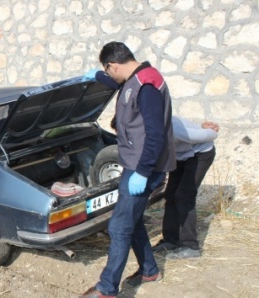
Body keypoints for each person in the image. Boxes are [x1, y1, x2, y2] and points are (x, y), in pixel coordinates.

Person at [80, 42, 176, 298]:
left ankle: (107, 288)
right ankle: (149, 270)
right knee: (132, 221)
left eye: (108, 71)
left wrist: (143, 172)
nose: (110, 77)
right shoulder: (136, 76)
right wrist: (98, 76)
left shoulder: (146, 87)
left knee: (119, 227)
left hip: (142, 168)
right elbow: (119, 83)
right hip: (136, 164)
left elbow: (155, 134)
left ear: (114, 65)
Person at [152, 116, 219, 259]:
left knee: (184, 196)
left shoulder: (173, 129)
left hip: (200, 154)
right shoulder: (145, 128)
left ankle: (191, 246)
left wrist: (211, 129)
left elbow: (209, 134)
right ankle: (171, 240)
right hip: (180, 156)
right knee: (170, 195)